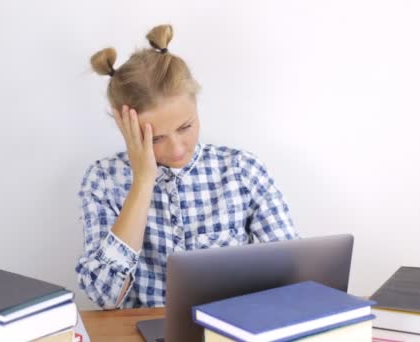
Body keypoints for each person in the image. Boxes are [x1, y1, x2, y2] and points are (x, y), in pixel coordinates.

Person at [75, 24, 299, 309]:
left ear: (196, 106)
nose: (177, 149)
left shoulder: (242, 170)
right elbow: (105, 296)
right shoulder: (103, 180)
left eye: (185, 127)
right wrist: (143, 182)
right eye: (155, 138)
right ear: (124, 127)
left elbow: (294, 275)